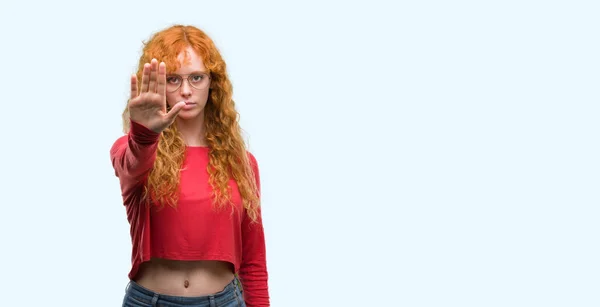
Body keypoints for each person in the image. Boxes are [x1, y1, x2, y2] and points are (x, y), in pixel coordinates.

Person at [110, 24, 269, 307]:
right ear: (157, 84)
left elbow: (254, 261)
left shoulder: (242, 164)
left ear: (213, 82)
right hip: (148, 302)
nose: (186, 90)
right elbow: (132, 164)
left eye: (196, 77)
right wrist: (145, 134)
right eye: (173, 79)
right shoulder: (133, 148)